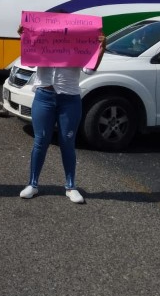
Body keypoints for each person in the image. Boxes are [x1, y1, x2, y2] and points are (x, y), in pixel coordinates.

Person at [18, 24, 106, 204]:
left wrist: (101, 48)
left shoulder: (78, 44)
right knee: (40, 140)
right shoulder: (43, 43)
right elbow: (29, 62)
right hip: (44, 96)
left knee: (67, 141)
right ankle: (32, 184)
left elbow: (89, 69)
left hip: (70, 99)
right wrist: (25, 38)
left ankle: (71, 187)